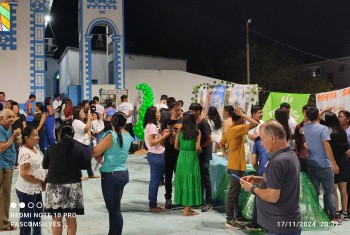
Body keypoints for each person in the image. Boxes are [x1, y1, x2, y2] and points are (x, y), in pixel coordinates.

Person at [240, 120, 301, 234]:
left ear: (272, 138)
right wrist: (259, 179)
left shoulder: (278, 161)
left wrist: (251, 188)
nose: (262, 144)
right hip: (286, 222)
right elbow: (282, 181)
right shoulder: (290, 155)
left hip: (279, 225)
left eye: (263, 139)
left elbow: (273, 196)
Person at [92, 112, 134, 235]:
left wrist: (99, 154)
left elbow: (94, 152)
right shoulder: (128, 136)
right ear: (125, 122)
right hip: (123, 173)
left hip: (111, 175)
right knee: (115, 208)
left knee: (114, 210)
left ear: (111, 121)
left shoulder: (111, 135)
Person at [43, 125, 90, 235]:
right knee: (71, 218)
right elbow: (85, 165)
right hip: (72, 186)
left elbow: (45, 165)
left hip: (54, 186)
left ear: (59, 135)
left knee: (56, 218)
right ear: (73, 135)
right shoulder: (79, 148)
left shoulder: (51, 148)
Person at [219, 107, 259, 229]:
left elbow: (221, 143)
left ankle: (237, 216)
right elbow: (255, 123)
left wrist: (226, 155)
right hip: (236, 165)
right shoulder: (238, 128)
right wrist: (243, 114)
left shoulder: (230, 130)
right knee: (233, 192)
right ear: (240, 119)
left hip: (233, 163)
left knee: (235, 192)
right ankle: (229, 219)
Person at [303, 107, 341, 223]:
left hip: (311, 163)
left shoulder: (306, 127)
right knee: (328, 191)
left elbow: (310, 118)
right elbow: (327, 146)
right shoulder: (323, 129)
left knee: (315, 191)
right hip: (324, 165)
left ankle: (315, 215)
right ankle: (334, 216)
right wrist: (334, 164)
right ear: (318, 116)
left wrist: (322, 110)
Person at [15, 126, 46, 235]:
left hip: (35, 188)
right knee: (27, 217)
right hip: (26, 190)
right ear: (26, 138)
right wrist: (40, 181)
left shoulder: (34, 148)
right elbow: (24, 174)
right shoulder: (25, 152)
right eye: (35, 135)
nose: (38, 137)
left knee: (37, 215)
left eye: (38, 135)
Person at [174, 111, 202, 216]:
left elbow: (176, 146)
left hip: (181, 158)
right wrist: (199, 152)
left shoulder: (180, 130)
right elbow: (198, 148)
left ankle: (185, 207)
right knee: (191, 180)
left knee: (183, 180)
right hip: (192, 158)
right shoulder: (197, 132)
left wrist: (183, 150)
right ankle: (187, 209)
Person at [144, 106, 170, 212]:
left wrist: (160, 132)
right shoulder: (153, 126)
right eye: (158, 113)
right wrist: (165, 136)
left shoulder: (149, 126)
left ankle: (152, 202)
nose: (159, 114)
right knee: (155, 181)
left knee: (154, 181)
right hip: (157, 155)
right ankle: (153, 205)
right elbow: (152, 142)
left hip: (154, 155)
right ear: (153, 114)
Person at [324, 112, 350, 218]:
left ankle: (334, 211)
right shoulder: (342, 132)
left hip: (334, 163)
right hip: (344, 162)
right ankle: (344, 211)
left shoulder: (329, 133)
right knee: (343, 189)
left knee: (333, 189)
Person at [188, 103, 213, 212]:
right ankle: (200, 200)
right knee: (199, 178)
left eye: (192, 111)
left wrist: (199, 147)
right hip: (197, 155)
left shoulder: (204, 123)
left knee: (206, 178)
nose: (190, 113)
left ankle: (209, 202)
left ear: (198, 111)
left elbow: (209, 140)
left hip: (204, 155)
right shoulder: (193, 122)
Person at [0, 109, 21, 231]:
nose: (12, 119)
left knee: (5, 195)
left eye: (13, 116)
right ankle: (3, 224)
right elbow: (1, 148)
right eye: (8, 117)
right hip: (2, 166)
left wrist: (15, 140)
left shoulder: (8, 129)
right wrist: (13, 137)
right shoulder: (1, 129)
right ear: (1, 118)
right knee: (4, 195)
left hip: (8, 165)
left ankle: (3, 221)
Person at [160, 101, 183, 209]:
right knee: (168, 177)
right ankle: (168, 198)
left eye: (179, 109)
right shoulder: (166, 121)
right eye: (176, 110)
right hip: (169, 152)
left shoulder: (183, 121)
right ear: (170, 110)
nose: (178, 112)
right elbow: (161, 135)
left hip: (180, 152)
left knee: (179, 176)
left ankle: (180, 198)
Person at [72, 106, 99, 180]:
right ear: (77, 114)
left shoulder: (81, 121)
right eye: (81, 112)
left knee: (88, 158)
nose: (83, 113)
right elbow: (87, 128)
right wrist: (89, 118)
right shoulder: (76, 122)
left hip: (85, 142)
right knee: (78, 160)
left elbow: (88, 128)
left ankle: (90, 174)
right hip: (79, 142)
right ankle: (79, 175)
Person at [338, 109, 350, 217]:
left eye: (341, 116)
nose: (340, 118)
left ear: (348, 118)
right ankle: (345, 209)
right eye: (338, 116)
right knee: (343, 185)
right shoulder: (337, 130)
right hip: (342, 159)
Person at [11, 102, 27, 167]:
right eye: (14, 108)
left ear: (18, 109)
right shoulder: (10, 117)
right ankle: (14, 163)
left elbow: (24, 126)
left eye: (16, 108)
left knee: (17, 148)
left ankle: (16, 163)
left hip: (19, 135)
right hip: (11, 135)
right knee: (12, 149)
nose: (15, 109)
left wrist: (21, 135)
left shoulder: (21, 116)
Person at [295, 105, 309, 172]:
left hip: (312, 156)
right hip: (301, 156)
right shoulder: (298, 126)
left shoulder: (315, 125)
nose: (307, 114)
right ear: (302, 112)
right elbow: (297, 141)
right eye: (305, 112)